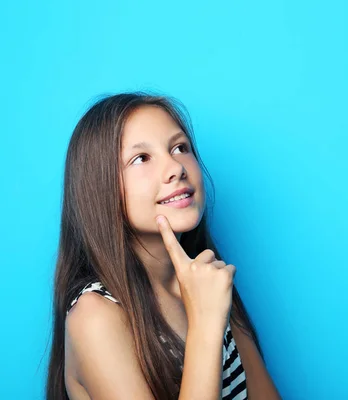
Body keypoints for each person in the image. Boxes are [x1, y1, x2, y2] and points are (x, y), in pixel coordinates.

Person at [45, 92, 282, 400]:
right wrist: (206, 325)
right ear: (99, 187)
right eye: (141, 158)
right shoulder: (95, 315)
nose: (175, 168)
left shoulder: (206, 283)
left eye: (180, 148)